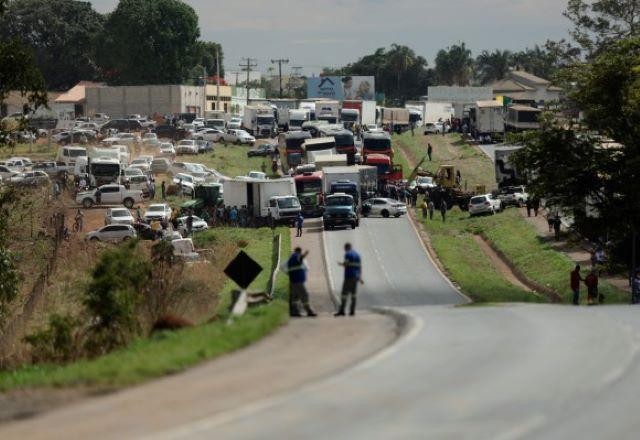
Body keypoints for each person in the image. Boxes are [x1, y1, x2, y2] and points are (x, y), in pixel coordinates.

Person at [284, 247, 316, 317]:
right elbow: (300, 259)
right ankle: (309, 311)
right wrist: (305, 254)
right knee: (304, 295)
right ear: (299, 252)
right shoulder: (296, 256)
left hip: (293, 281)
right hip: (297, 282)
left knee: (295, 297)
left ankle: (294, 311)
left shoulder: (291, 259)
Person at [335, 243, 363, 317]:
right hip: (355, 278)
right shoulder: (357, 255)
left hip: (348, 277)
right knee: (354, 295)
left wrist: (341, 264)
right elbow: (360, 267)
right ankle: (352, 311)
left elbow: (346, 264)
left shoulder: (348, 254)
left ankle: (342, 311)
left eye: (345, 249)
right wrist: (360, 277)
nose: (344, 250)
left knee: (344, 294)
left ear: (347, 247)